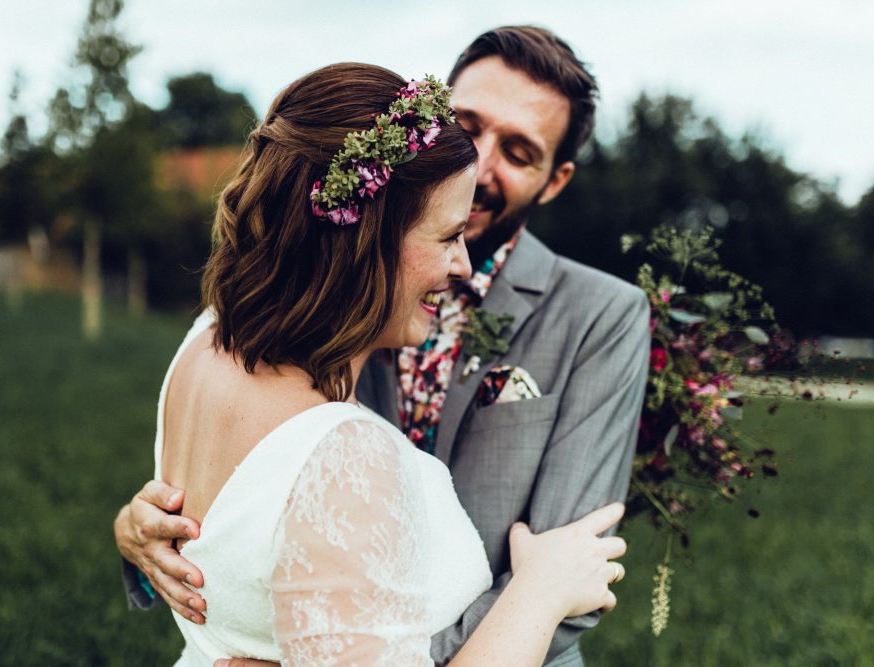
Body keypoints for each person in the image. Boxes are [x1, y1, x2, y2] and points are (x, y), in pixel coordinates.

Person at [116, 27, 649, 666]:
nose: (478, 160)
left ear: (555, 179)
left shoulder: (603, 317)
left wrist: (322, 642)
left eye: (517, 150)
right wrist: (138, 539)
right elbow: (236, 502)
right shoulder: (262, 327)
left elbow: (573, 565)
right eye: (466, 123)